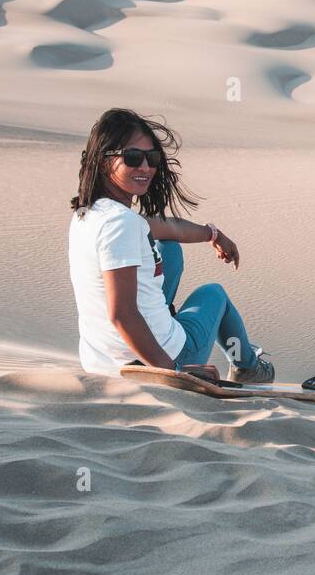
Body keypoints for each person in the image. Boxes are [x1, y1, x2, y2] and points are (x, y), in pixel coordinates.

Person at [67, 108, 275, 383]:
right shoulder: (121, 224)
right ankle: (248, 367)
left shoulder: (89, 214)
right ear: (105, 162)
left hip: (103, 362)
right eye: (132, 157)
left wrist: (213, 234)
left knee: (169, 248)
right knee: (214, 294)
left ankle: (164, 322)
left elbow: (169, 228)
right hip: (157, 360)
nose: (145, 167)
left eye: (151, 158)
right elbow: (123, 314)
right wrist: (173, 372)